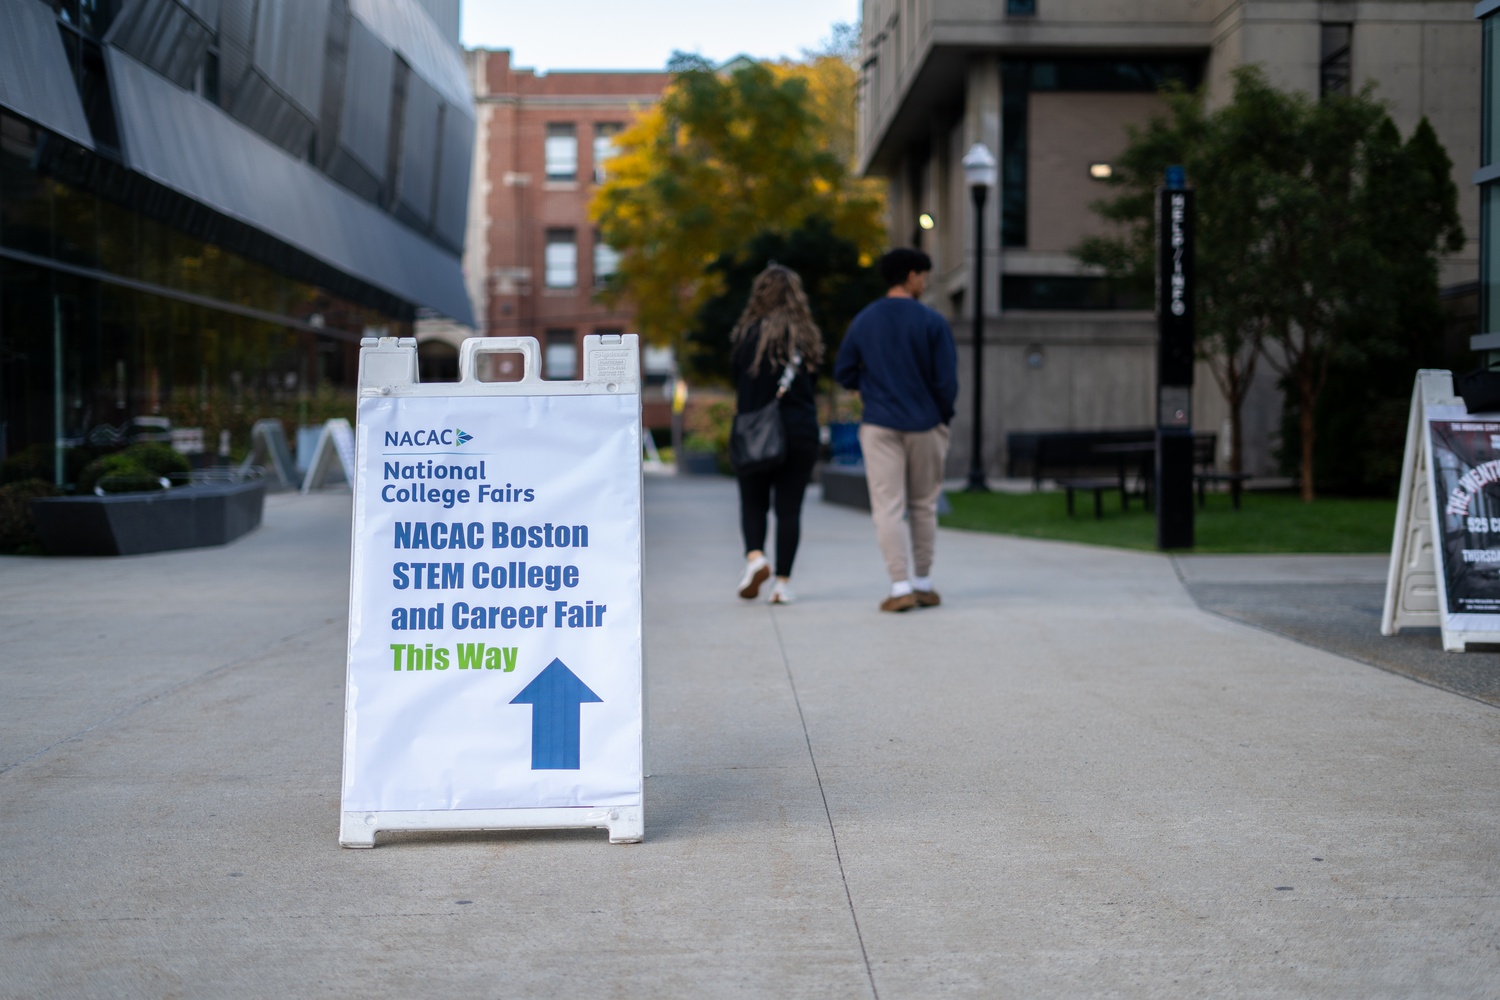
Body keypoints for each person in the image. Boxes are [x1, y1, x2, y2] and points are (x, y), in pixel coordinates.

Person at [833, 248, 958, 612]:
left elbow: (843, 372)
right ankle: (924, 583)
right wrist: (942, 417)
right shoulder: (932, 321)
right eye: (923, 275)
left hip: (879, 423)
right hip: (925, 424)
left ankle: (900, 586)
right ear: (911, 275)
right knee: (924, 505)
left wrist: (869, 388)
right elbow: (947, 381)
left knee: (888, 507)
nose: (926, 282)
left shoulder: (864, 320)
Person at [731, 264, 824, 605]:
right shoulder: (807, 339)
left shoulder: (747, 337)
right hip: (800, 430)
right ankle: (782, 585)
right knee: (789, 509)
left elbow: (738, 383)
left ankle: (756, 558)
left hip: (755, 430)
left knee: (753, 502)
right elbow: (813, 384)